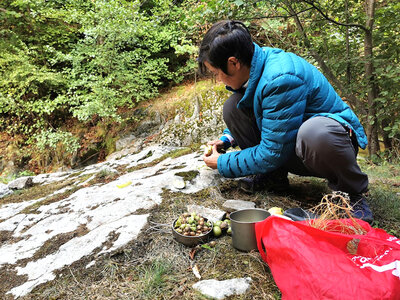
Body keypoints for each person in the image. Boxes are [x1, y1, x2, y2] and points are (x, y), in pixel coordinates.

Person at [198, 20, 373, 222]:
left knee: (316, 133)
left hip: (329, 142)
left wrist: (222, 162)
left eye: (216, 73)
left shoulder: (279, 78)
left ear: (233, 63)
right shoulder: (255, 63)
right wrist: (227, 139)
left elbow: (272, 152)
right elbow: (262, 114)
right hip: (295, 140)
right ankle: (273, 178)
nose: (218, 79)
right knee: (233, 106)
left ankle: (351, 196)